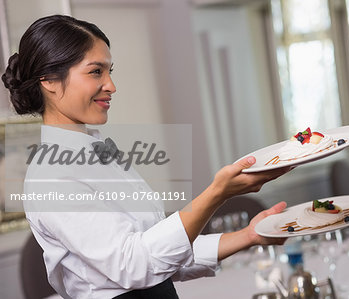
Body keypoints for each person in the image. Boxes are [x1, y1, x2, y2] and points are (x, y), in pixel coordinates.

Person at [2, 15, 290, 299]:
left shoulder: (99, 153)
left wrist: (250, 235)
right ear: (49, 80)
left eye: (109, 71)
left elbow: (160, 253)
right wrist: (216, 194)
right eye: (96, 72)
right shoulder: (53, 177)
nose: (111, 85)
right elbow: (136, 265)